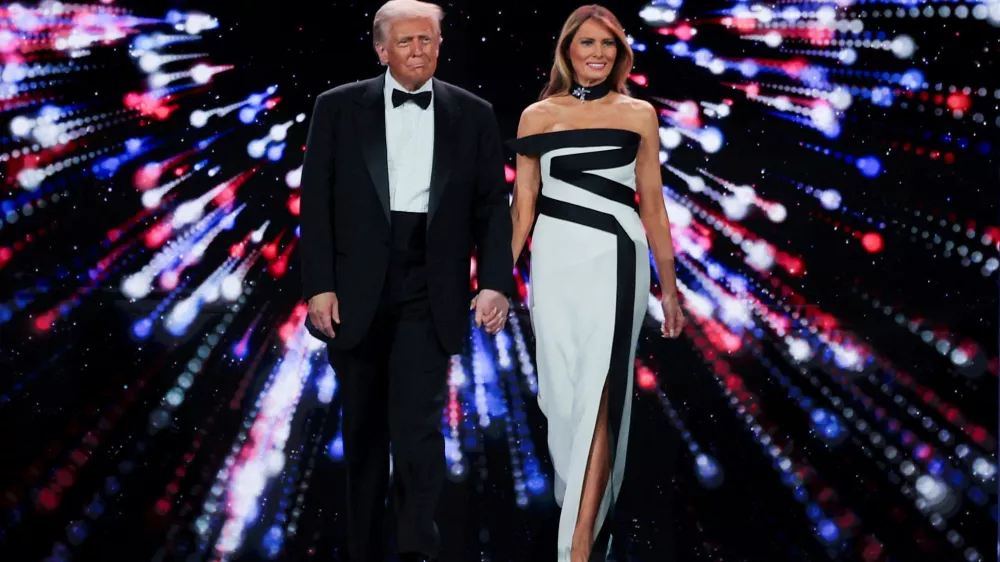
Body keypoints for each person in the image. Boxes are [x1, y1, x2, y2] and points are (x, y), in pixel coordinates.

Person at [298, 0, 514, 560]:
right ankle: (367, 550)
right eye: (405, 42)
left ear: (441, 43)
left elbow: (493, 207)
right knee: (365, 432)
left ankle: (418, 547)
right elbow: (315, 204)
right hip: (357, 287)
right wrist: (319, 285)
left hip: (433, 284)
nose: (418, 51)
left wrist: (495, 281)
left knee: (419, 431)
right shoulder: (337, 108)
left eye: (428, 39)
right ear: (380, 48)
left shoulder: (475, 113)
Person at [507, 5, 685, 561]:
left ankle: (578, 545)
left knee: (599, 396)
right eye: (587, 43)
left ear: (620, 53)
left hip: (616, 256)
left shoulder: (639, 114)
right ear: (568, 49)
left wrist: (670, 287)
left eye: (608, 45)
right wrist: (493, 282)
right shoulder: (536, 116)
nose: (598, 54)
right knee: (559, 398)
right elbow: (522, 211)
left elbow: (653, 207)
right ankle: (585, 518)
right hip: (555, 260)